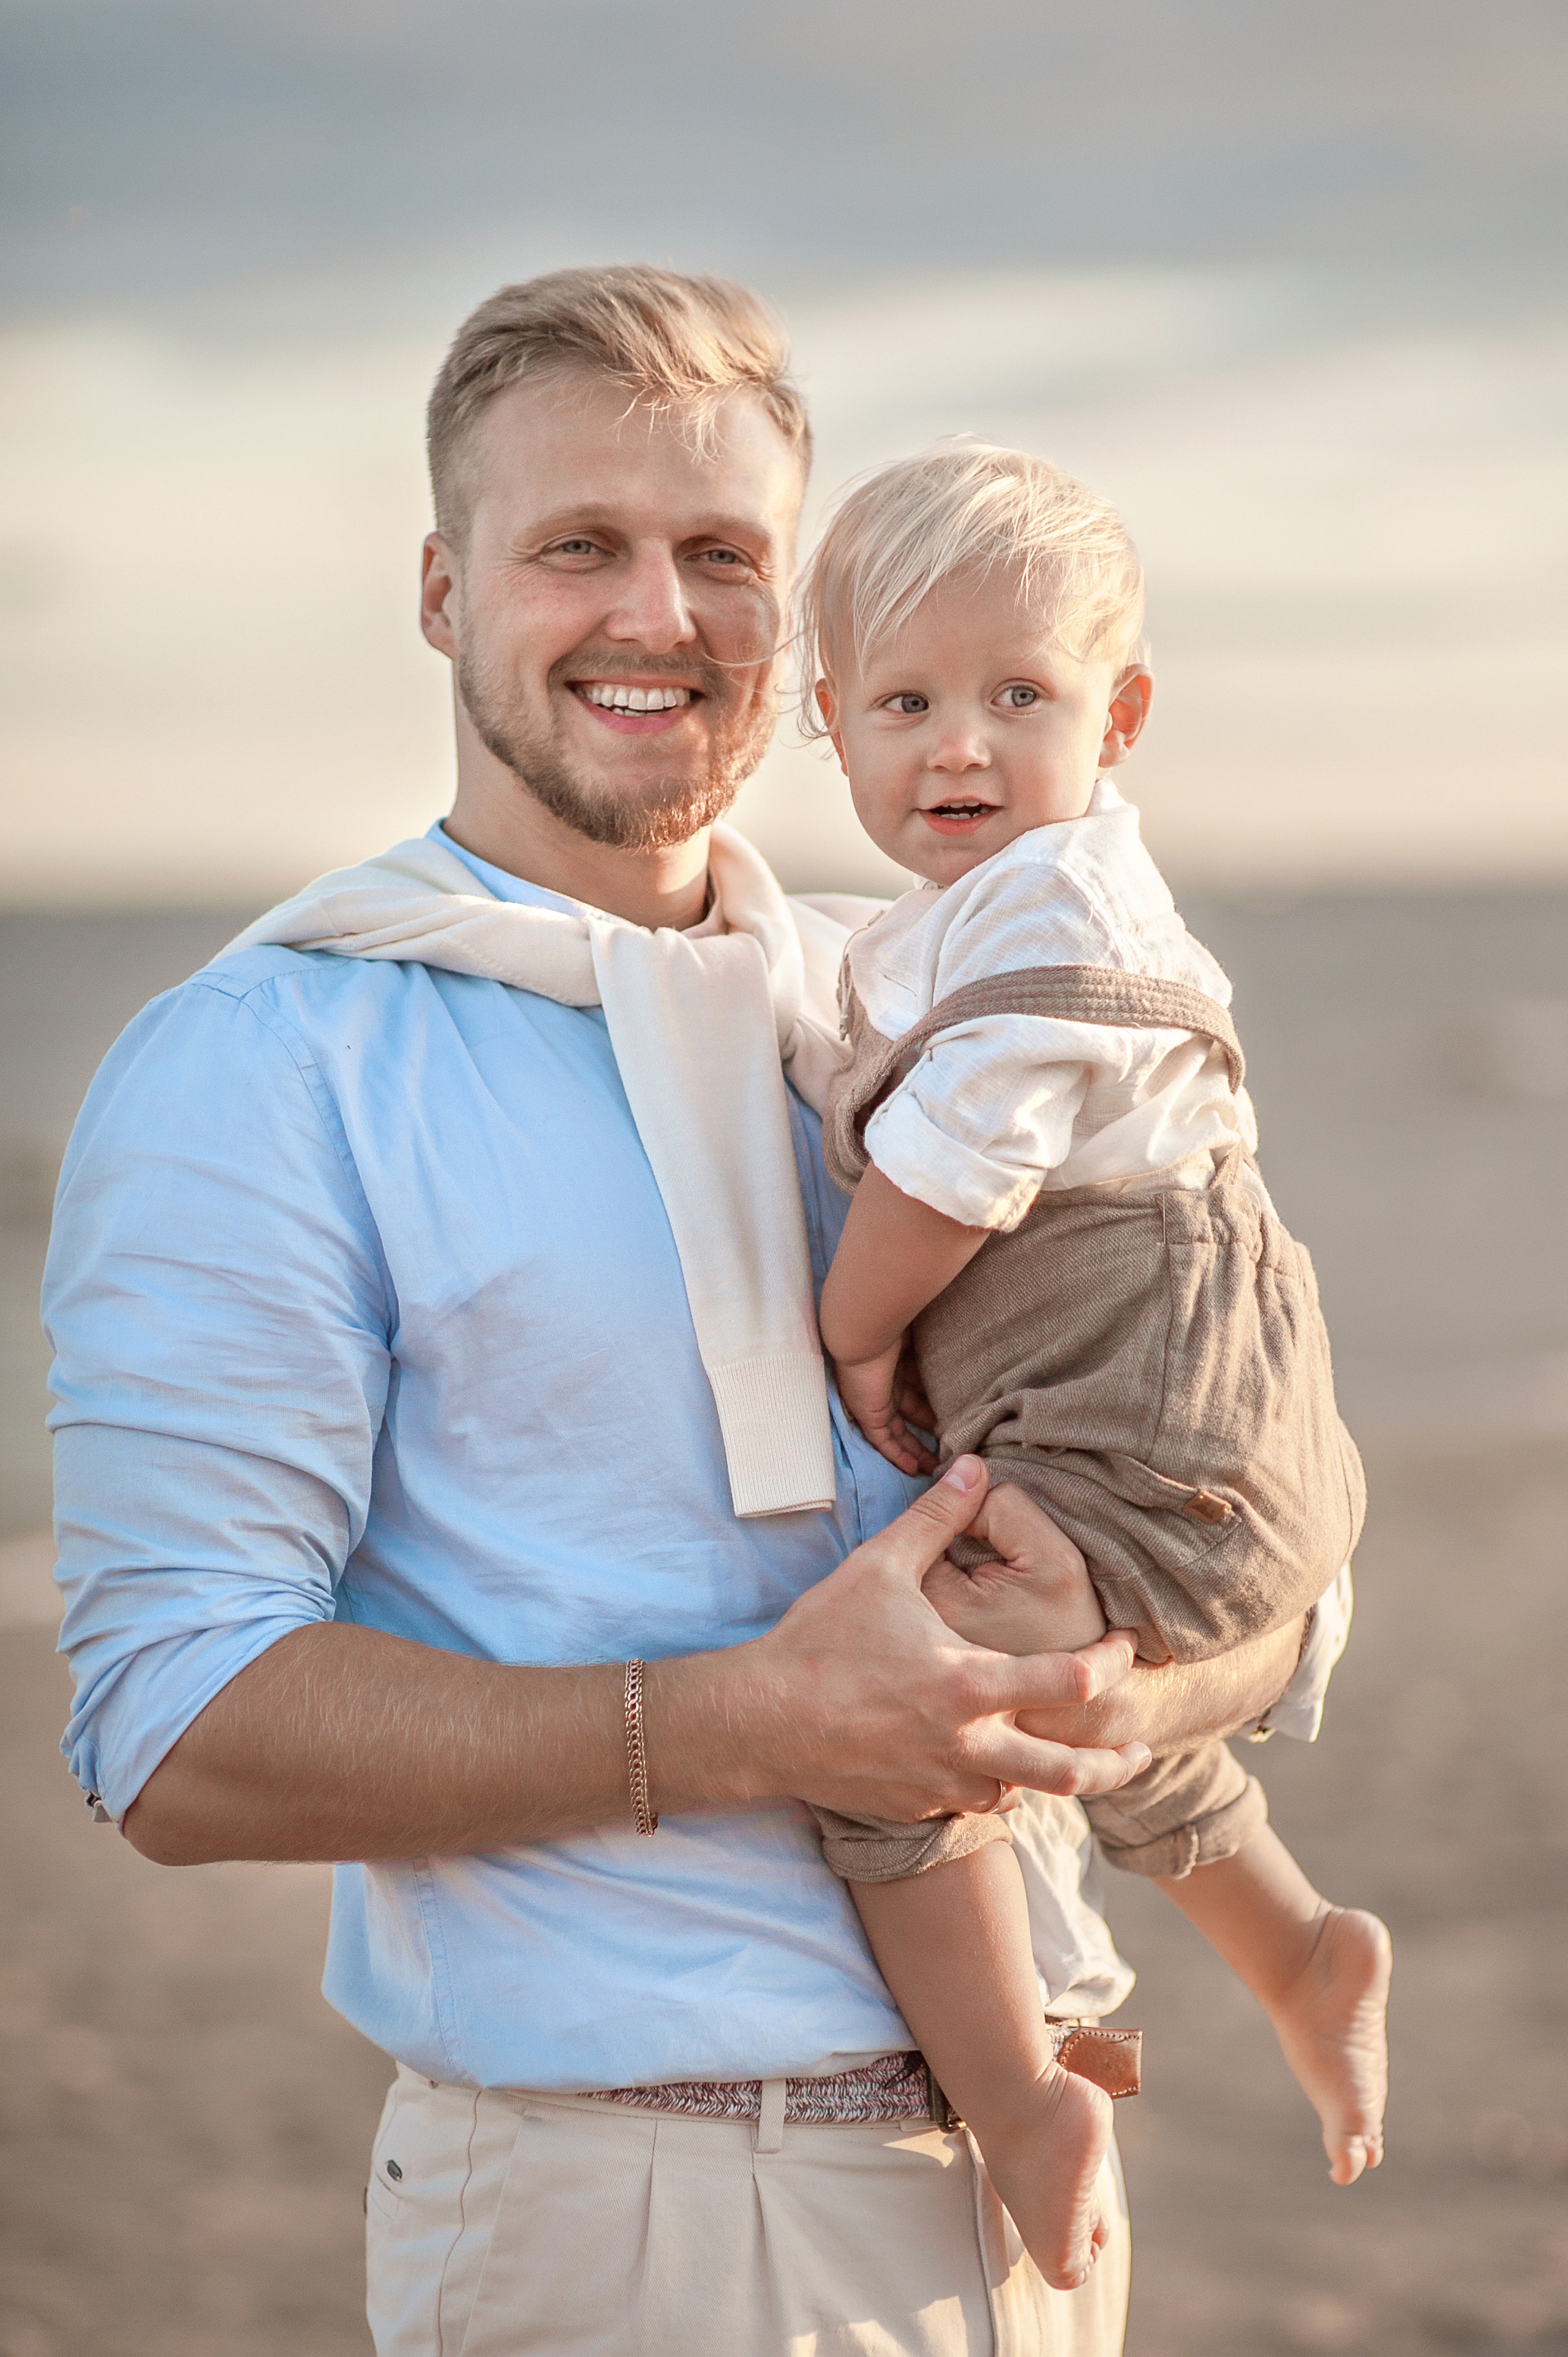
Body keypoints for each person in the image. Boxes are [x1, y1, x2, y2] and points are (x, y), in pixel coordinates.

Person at [44, 266, 1345, 2357]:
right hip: (624, 2212)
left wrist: (1154, 1693)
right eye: (578, 547)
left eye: (723, 557)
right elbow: (171, 1731)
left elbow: (1236, 1468)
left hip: (1039, 2201)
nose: (657, 615)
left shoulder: (920, 1011)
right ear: (446, 591)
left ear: (796, 626)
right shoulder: (267, 1062)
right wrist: (747, 1725)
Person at [788, 443, 1392, 2291]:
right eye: (907, 703)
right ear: (829, 723)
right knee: (1080, 1711)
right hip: (1200, 1418)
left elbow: (953, 1178)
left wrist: (857, 1328)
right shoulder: (959, 925)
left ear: (1116, 715)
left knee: (898, 1748)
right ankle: (1296, 1947)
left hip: (1154, 1412)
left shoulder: (1050, 920)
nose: (959, 747)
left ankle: (1021, 2090)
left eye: (1020, 698)